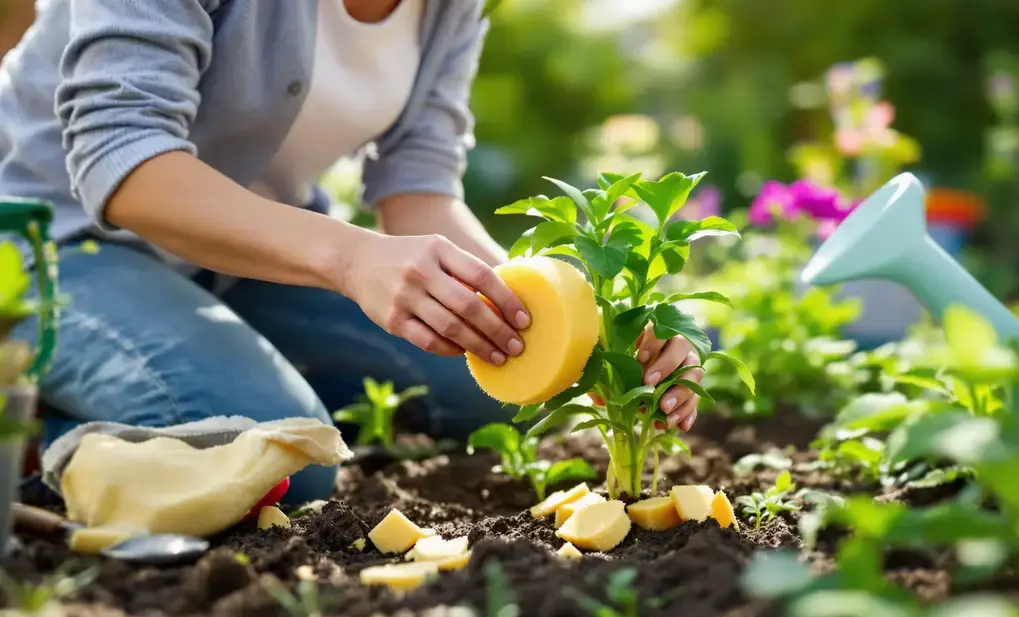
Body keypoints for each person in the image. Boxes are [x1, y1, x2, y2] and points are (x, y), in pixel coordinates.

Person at [0, 0, 707, 505]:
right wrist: (348, 258)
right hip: (44, 240)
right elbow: (122, 157)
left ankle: (194, 373)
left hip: (238, 260)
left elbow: (419, 190)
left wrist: (586, 327)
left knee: (491, 381)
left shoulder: (449, 9)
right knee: (282, 458)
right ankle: (30, 426)